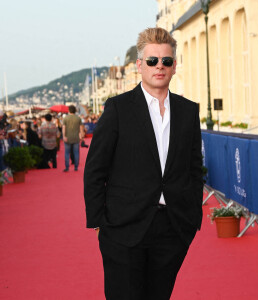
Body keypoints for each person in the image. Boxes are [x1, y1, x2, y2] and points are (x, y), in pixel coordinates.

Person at [84, 27, 203, 300]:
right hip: (123, 228)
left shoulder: (188, 111)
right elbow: (95, 170)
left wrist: (191, 218)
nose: (159, 67)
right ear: (139, 65)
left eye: (166, 61)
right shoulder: (118, 109)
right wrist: (100, 223)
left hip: (173, 228)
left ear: (174, 66)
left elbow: (195, 168)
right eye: (152, 61)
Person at [62, 105, 84, 172]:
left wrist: (64, 136)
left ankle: (67, 167)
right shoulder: (78, 118)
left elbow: (64, 128)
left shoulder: (65, 118)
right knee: (76, 153)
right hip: (76, 137)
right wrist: (81, 136)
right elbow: (81, 128)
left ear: (69, 110)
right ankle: (76, 167)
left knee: (67, 153)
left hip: (67, 137)